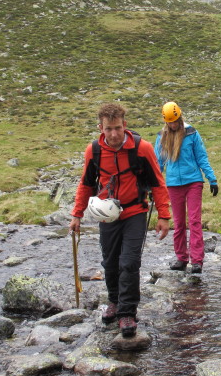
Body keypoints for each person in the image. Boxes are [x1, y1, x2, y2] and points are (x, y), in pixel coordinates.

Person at [69, 103, 170, 338]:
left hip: (135, 212)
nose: (113, 134)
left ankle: (127, 313)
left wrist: (164, 216)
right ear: (100, 128)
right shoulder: (93, 151)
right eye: (108, 129)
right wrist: (77, 214)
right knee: (110, 263)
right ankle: (113, 302)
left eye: (117, 128)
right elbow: (85, 184)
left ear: (125, 125)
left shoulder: (142, 149)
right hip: (107, 216)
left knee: (129, 262)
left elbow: (157, 182)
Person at [154, 102, 218, 274]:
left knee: (195, 221)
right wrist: (152, 187)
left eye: (175, 121)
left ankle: (197, 261)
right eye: (170, 123)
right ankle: (181, 258)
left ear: (180, 118)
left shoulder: (191, 133)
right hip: (173, 184)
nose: (173, 125)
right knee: (179, 223)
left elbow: (201, 157)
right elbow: (157, 164)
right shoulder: (161, 137)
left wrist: (212, 179)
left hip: (193, 182)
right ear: (166, 121)